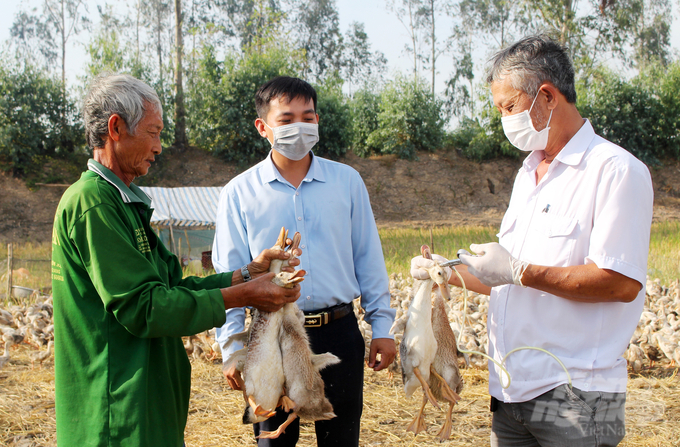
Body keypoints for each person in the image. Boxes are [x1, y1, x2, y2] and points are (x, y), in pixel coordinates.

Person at [411, 35, 653, 446]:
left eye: (509, 107)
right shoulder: (529, 174)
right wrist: (445, 272)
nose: (504, 119)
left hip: (578, 394)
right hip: (511, 393)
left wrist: (520, 271)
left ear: (546, 96)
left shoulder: (614, 170)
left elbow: (619, 282)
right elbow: (506, 278)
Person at [51, 74, 302, 447]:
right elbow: (145, 307)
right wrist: (247, 295)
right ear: (116, 128)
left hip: (143, 402)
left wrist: (247, 274)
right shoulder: (94, 204)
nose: (159, 146)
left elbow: (172, 287)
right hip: (116, 410)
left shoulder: (124, 203)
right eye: (153, 133)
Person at [213, 76, 396, 446]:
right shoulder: (239, 193)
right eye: (286, 119)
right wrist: (231, 347)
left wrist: (383, 327)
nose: (300, 126)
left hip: (339, 332)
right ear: (262, 127)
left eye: (308, 117)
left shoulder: (347, 182)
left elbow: (368, 258)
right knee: (273, 441)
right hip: (269, 336)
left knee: (341, 439)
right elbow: (228, 275)